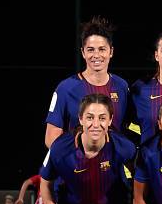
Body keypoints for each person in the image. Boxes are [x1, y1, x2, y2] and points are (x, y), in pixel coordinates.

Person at [41, 94, 136, 204]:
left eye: (102, 118)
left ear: (110, 120)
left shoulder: (124, 146)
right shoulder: (60, 148)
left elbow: (141, 181)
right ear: (80, 119)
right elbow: (45, 185)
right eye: (90, 117)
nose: (96, 124)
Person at [44, 16, 129, 148]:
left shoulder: (122, 86)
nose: (96, 55)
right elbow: (51, 139)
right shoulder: (66, 88)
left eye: (102, 49)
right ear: (83, 52)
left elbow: (128, 129)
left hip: (112, 167)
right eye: (90, 49)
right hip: (78, 166)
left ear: (111, 52)